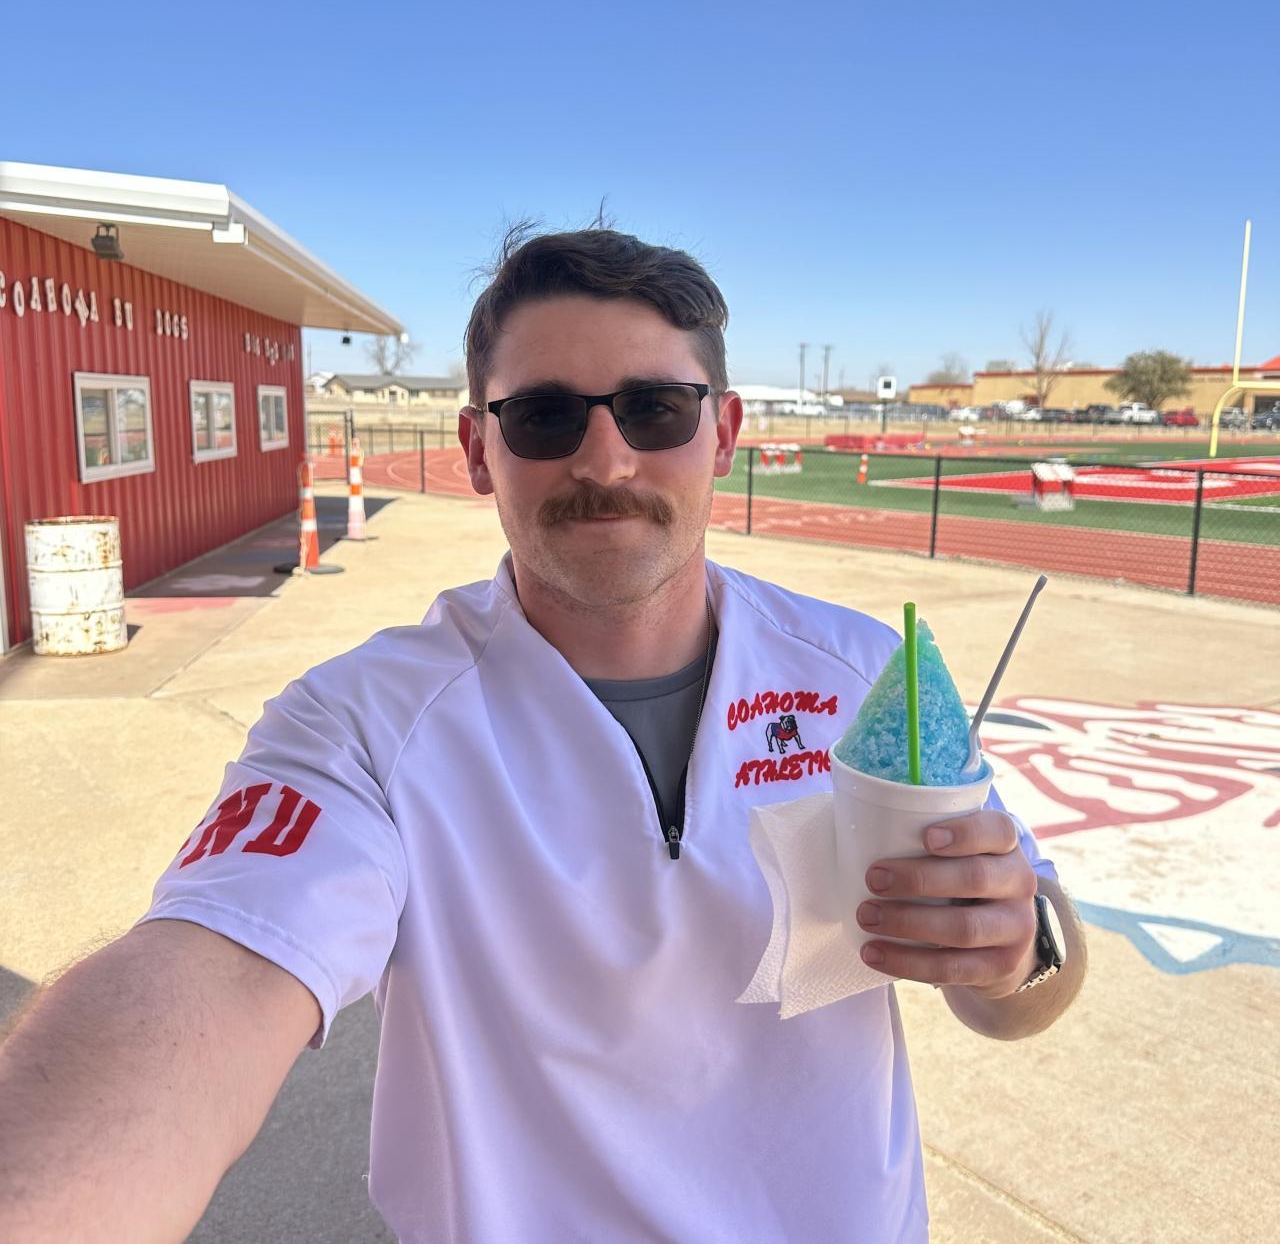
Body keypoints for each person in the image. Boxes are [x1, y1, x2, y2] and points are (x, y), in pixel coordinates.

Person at [0, 228, 1086, 1242]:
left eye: (655, 408)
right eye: (545, 416)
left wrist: (1011, 951)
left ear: (724, 433)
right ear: (479, 449)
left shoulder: (863, 674)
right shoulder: (363, 726)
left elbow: (1030, 977)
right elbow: (209, 974)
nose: (605, 462)